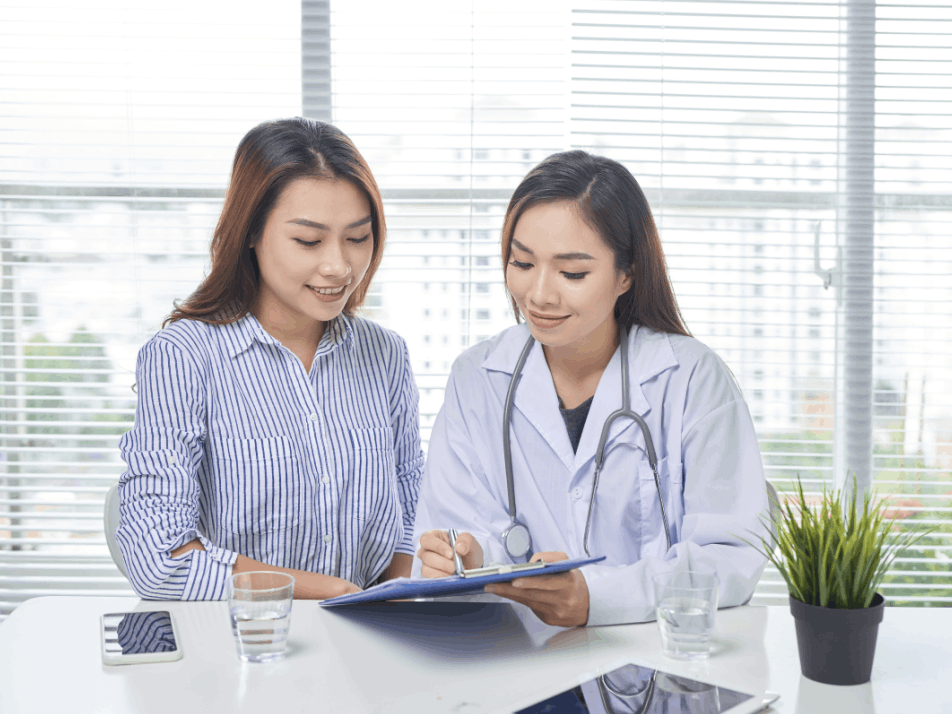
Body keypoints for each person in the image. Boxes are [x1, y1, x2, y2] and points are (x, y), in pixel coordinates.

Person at [413, 150, 769, 627]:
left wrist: (598, 597)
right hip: (517, 659)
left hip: (651, 659)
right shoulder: (477, 378)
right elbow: (455, 528)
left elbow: (730, 556)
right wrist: (467, 557)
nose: (539, 295)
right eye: (522, 263)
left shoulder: (692, 379)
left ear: (627, 274)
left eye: (573, 273)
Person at [117, 118, 424, 601]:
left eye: (358, 237)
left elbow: (414, 512)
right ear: (251, 232)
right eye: (308, 241)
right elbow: (160, 558)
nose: (339, 266)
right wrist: (329, 592)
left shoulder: (385, 354)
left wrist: (399, 599)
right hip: (245, 637)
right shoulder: (184, 356)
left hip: (371, 634)